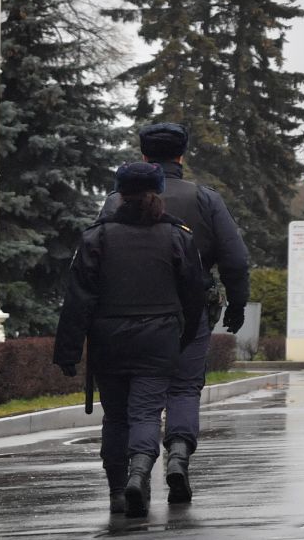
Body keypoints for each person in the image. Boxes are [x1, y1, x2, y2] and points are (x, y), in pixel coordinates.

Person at [98, 122, 249, 505]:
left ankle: (130, 475)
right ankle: (178, 457)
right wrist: (237, 302)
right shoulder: (205, 198)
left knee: (131, 401)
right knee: (184, 387)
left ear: (145, 155)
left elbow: (95, 258)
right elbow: (234, 258)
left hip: (125, 314)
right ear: (182, 156)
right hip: (189, 309)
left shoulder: (116, 201)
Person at [55, 163, 207, 516]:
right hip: (158, 340)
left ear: (119, 194)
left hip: (109, 340)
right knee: (146, 412)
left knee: (116, 418)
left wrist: (68, 351)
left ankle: (118, 491)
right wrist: (180, 336)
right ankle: (140, 472)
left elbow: (78, 299)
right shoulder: (177, 237)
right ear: (158, 194)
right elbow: (194, 297)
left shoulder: (97, 237)